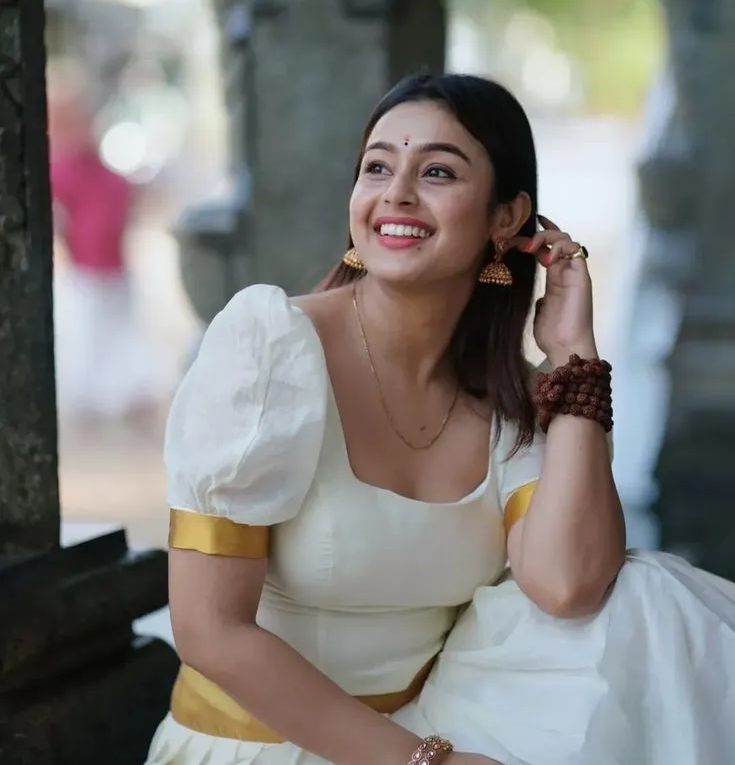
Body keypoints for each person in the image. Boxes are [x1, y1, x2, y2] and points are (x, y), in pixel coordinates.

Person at [146, 73, 735, 765]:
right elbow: (209, 631)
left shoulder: (505, 395)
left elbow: (568, 584)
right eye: (376, 167)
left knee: (648, 598)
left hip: (431, 726)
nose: (395, 193)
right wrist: (429, 763)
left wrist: (575, 356)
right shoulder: (268, 348)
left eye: (435, 171)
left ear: (505, 218)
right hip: (268, 746)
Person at [49, 64, 164, 422]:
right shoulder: (59, 169)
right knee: (85, 339)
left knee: (120, 334)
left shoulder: (102, 168)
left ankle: (124, 395)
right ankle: (93, 400)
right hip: (84, 272)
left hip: (113, 267)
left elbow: (124, 200)